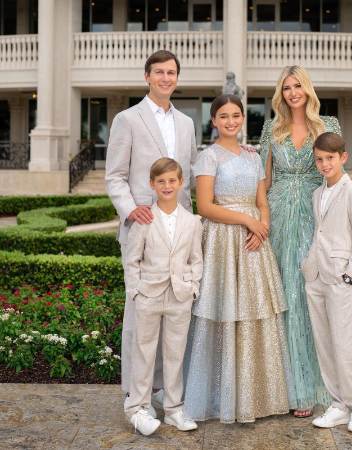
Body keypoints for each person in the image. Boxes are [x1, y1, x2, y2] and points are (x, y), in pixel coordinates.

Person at [259, 65, 352, 417]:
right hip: (278, 217)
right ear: (281, 93)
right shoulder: (270, 128)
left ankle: (311, 388)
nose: (292, 93)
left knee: (310, 303)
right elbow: (264, 177)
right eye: (286, 87)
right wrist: (260, 218)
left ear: (308, 90)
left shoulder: (329, 125)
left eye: (298, 86)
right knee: (283, 297)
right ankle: (284, 389)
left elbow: (338, 167)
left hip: (317, 213)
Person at [183, 94, 294, 423]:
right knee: (223, 311)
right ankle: (220, 396)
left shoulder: (254, 157)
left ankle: (256, 396)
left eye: (236, 115)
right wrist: (247, 221)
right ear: (213, 121)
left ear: (242, 119)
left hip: (253, 243)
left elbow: (262, 200)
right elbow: (205, 206)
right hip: (222, 240)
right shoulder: (208, 157)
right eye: (223, 116)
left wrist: (263, 227)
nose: (230, 121)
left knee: (254, 312)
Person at [105, 50, 197, 395]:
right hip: (142, 226)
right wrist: (131, 210)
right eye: (158, 72)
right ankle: (136, 392)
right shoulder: (127, 119)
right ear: (147, 76)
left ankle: (165, 392)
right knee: (139, 317)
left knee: (174, 313)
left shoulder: (186, 124)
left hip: (178, 231)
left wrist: (241, 155)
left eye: (171, 72)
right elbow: (115, 176)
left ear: (176, 77)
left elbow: (190, 172)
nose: (165, 78)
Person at [124, 158, 203, 436]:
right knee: (144, 351)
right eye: (161, 181)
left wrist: (192, 287)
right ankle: (138, 408)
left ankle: (173, 409)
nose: (167, 186)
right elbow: (131, 259)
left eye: (172, 181)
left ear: (181, 183)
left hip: (179, 296)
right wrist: (136, 290)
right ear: (152, 184)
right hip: (149, 295)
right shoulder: (145, 219)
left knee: (175, 354)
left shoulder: (192, 222)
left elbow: (196, 259)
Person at [302, 132, 352, 432]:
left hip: (340, 278)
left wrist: (349, 275)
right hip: (316, 276)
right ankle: (338, 404)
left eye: (329, 158)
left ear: (343, 157)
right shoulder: (317, 194)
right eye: (319, 159)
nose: (324, 164)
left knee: (344, 344)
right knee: (325, 344)